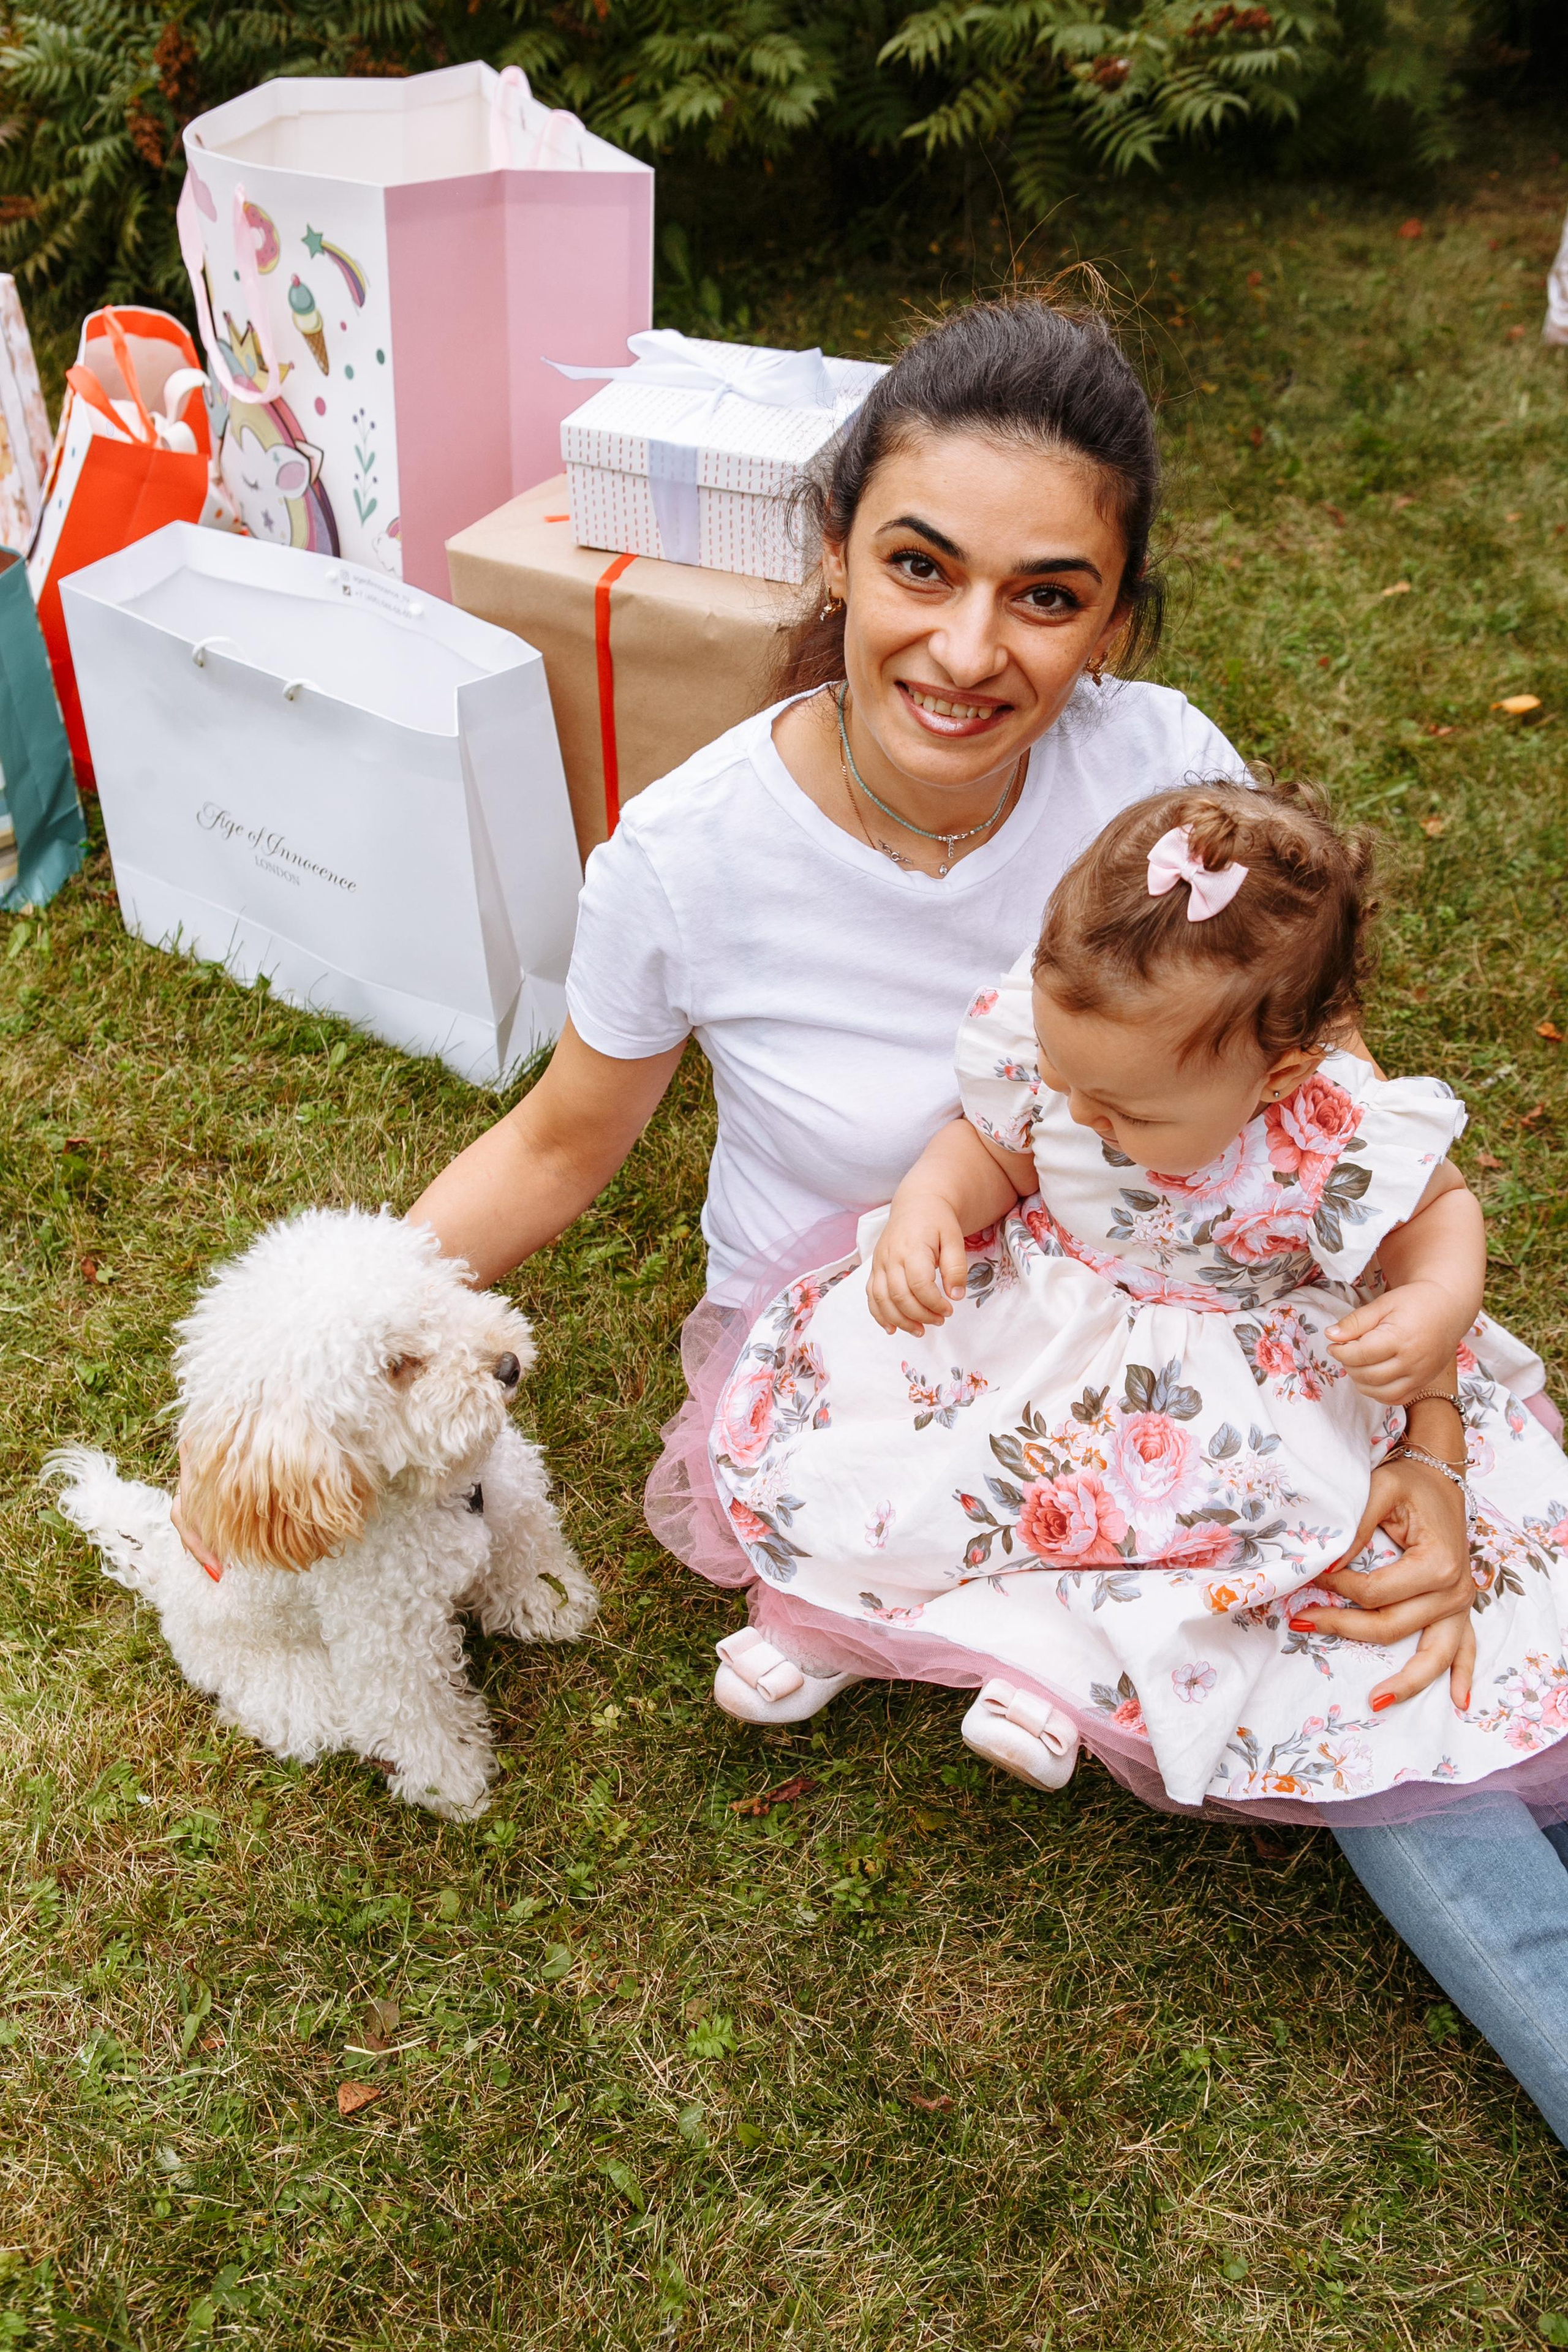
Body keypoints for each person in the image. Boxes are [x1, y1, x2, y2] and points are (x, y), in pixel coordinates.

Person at [177, 294, 1568, 2136]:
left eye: (1050, 595)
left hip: (1189, 1327)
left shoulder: (1167, 784)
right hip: (892, 1378)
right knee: (1385, 1674)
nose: (970, 649)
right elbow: (557, 1145)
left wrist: (1439, 1437)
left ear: (1119, 617)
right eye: (920, 566)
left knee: (1466, 1586)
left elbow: (1341, 1128)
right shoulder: (689, 849)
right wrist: (288, 1399)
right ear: (832, 551)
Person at [698, 775, 1568, 1841]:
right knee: (919, 1443)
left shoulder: (1330, 1124)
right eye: (1066, 1080)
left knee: (1201, 1527)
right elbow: (997, 1152)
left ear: (1278, 1075)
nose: (1081, 1116)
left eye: (1125, 1110)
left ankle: (1060, 1669)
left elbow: (1437, 1212)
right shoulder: (1073, 1058)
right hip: (1044, 1315)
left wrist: (1437, 1299)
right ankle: (824, 1611)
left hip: (1228, 1373)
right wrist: (934, 1201)